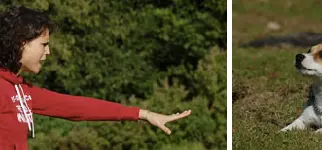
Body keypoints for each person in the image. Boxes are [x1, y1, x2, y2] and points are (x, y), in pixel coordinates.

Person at [0, 6, 192, 149]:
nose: (48, 51)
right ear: (21, 43)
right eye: (44, 44)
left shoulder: (22, 90)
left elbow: (77, 108)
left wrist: (143, 114)